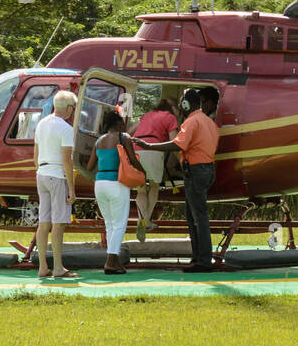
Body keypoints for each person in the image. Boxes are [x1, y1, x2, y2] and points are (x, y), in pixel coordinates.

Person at [137, 88, 220, 273]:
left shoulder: (191, 122)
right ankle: (198, 257)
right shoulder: (209, 122)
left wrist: (150, 145)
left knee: (199, 217)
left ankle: (204, 261)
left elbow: (177, 144)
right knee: (192, 216)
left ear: (185, 104)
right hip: (207, 169)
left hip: (196, 171)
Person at [88, 107, 143, 274]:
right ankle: (110, 262)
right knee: (119, 224)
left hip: (100, 183)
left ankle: (113, 261)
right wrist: (144, 173)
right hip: (117, 183)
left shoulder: (99, 141)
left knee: (110, 224)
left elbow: (90, 166)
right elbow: (133, 159)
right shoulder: (123, 137)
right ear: (118, 123)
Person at [33, 90, 79, 278]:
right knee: (58, 224)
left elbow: (35, 156)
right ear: (69, 109)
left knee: (43, 223)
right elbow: (67, 160)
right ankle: (59, 268)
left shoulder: (41, 124)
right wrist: (72, 188)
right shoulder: (66, 128)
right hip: (56, 175)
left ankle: (43, 267)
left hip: (41, 174)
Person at [131, 98, 180, 241]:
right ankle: (147, 220)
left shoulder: (147, 115)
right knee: (154, 185)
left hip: (136, 150)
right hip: (153, 149)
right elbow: (174, 141)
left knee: (140, 189)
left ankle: (140, 220)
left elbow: (130, 131)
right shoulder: (170, 117)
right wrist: (180, 160)